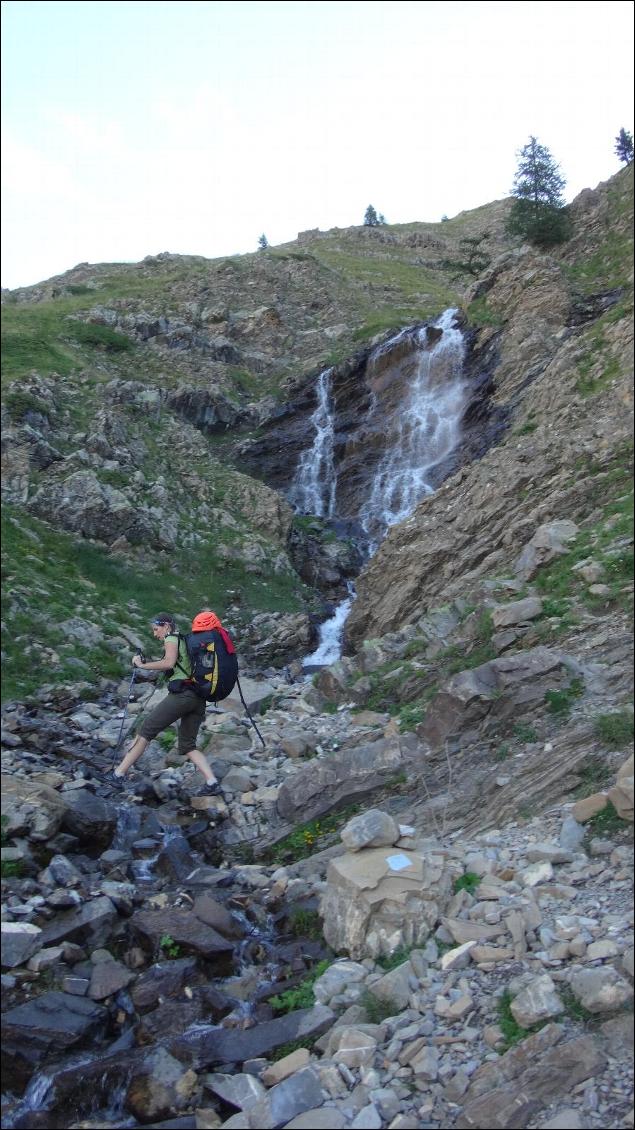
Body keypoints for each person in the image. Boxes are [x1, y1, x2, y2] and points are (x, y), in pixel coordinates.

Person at [104, 613, 222, 795]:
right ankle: (212, 782)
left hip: (183, 696)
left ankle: (118, 775)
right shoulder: (186, 642)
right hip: (199, 698)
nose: (155, 633)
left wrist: (142, 666)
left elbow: (168, 662)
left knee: (146, 730)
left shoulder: (172, 637)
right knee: (188, 745)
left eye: (156, 629)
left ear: (166, 626)